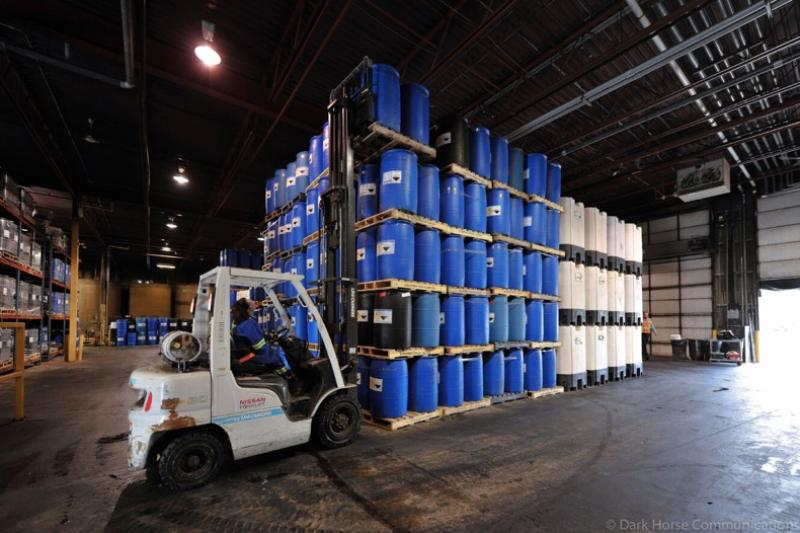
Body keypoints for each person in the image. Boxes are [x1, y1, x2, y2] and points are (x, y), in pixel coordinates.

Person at [230, 298, 292, 378]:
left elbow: (249, 339)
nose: (254, 302)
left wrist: (267, 337)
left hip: (243, 355)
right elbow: (261, 348)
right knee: (276, 359)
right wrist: (268, 344)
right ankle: (288, 378)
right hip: (249, 357)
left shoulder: (237, 322)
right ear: (247, 309)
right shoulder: (249, 324)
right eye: (251, 302)